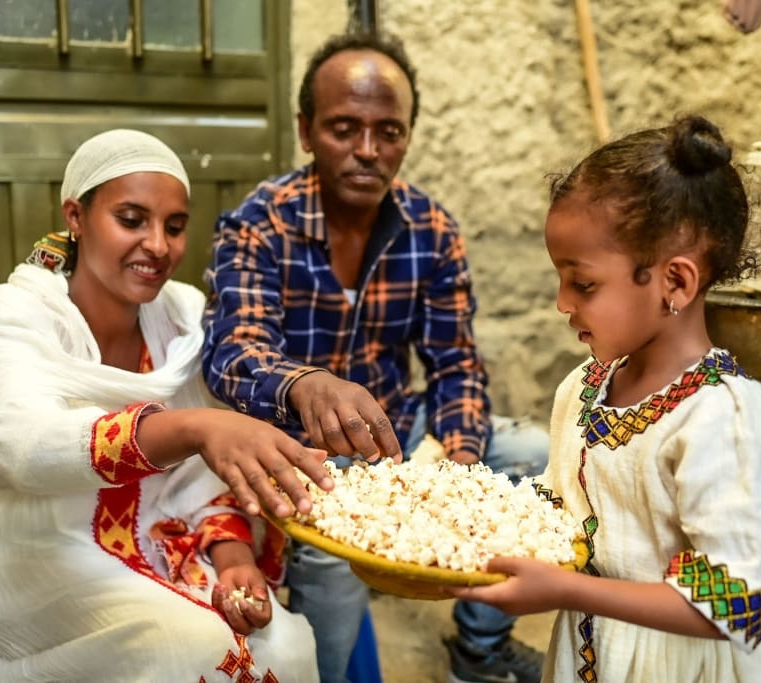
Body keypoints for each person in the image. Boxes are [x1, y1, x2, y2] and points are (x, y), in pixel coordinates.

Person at [202, 31, 550, 683]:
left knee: (530, 452)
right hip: (299, 455)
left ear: (407, 135)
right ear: (305, 131)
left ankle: (477, 651)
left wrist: (461, 464)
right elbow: (232, 353)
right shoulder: (259, 224)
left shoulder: (431, 229)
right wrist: (304, 383)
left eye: (388, 131)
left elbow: (456, 365)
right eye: (343, 128)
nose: (368, 150)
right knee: (333, 568)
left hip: (397, 437)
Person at [0, 129, 330, 681]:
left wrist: (234, 560)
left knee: (284, 646)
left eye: (174, 227)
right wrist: (192, 426)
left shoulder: (182, 317)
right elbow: (23, 447)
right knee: (183, 648)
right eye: (131, 219)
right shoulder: (12, 318)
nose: (159, 245)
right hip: (42, 551)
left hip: (162, 534)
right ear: (75, 216)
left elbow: (201, 480)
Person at [451, 115, 761, 682]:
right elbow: (565, 507)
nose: (562, 303)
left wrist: (565, 589)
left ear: (677, 283)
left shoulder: (726, 422)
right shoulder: (585, 388)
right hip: (598, 653)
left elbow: (736, 602)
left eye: (584, 284)